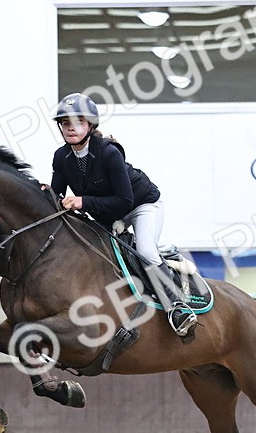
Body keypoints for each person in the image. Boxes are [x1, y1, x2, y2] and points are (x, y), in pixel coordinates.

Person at [48, 92, 196, 336]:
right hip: (108, 214)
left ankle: (177, 306)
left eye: (78, 122)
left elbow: (123, 200)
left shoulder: (108, 152)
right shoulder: (61, 157)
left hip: (141, 205)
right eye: (65, 123)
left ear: (90, 125)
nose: (70, 128)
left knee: (146, 250)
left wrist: (82, 202)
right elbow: (57, 195)